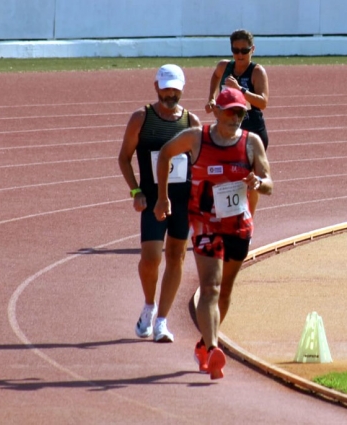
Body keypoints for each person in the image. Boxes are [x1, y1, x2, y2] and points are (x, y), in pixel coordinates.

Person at [154, 87, 273, 379]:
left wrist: (258, 182)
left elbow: (270, 182)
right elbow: (165, 154)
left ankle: (204, 346)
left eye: (241, 113)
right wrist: (162, 196)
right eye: (230, 111)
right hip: (205, 224)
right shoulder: (197, 138)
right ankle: (214, 347)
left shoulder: (251, 143)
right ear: (217, 111)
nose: (235, 117)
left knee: (225, 290)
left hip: (238, 226)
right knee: (210, 287)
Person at [118, 64, 201, 343]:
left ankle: (163, 322)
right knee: (150, 258)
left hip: (182, 200)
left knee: (176, 256)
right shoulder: (142, 118)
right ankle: (149, 306)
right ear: (156, 87)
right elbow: (123, 158)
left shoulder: (191, 122)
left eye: (175, 89)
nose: (170, 94)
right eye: (166, 88)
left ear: (182, 88)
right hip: (153, 200)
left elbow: (200, 164)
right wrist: (136, 192)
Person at [205, 29, 270, 217]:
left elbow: (263, 102)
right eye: (236, 50)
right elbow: (215, 76)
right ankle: (226, 216)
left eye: (244, 50)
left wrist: (240, 89)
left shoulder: (257, 72)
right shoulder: (224, 66)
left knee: (251, 180)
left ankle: (249, 219)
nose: (240, 55)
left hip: (252, 132)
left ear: (253, 50)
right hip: (228, 131)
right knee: (222, 175)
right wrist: (212, 98)